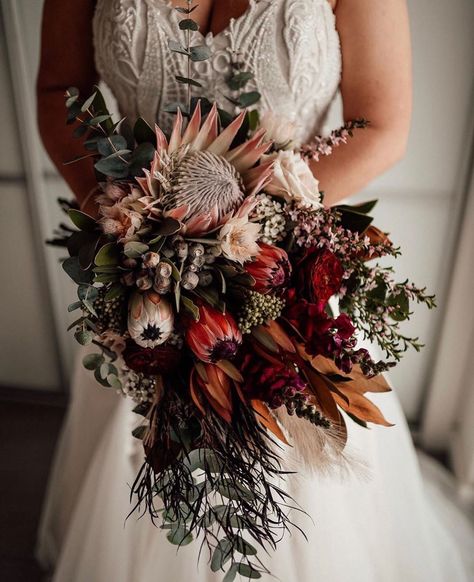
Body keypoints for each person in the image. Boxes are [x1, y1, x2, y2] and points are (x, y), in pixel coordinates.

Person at [36, 1, 472, 581]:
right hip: (147, 271)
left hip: (285, 271)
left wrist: (250, 231)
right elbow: (59, 88)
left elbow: (383, 125)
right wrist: (125, 219)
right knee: (144, 471)